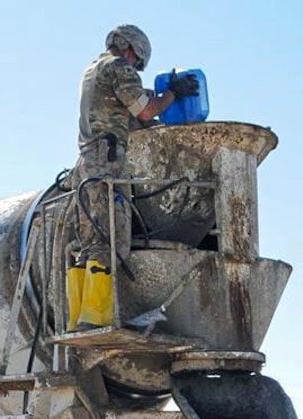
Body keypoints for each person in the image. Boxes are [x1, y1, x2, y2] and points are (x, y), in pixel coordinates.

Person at [70, 25, 200, 330]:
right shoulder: (118, 68)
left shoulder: (92, 71)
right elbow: (144, 111)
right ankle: (97, 319)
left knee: (87, 243)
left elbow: (128, 120)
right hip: (108, 164)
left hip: (87, 164)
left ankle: (79, 318)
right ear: (130, 49)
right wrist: (172, 95)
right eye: (137, 61)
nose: (135, 67)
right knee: (111, 239)